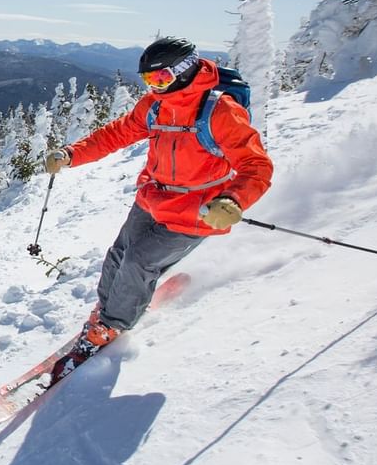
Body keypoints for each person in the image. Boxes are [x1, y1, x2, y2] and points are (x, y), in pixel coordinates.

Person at [43, 36, 273, 382]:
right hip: (154, 197)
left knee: (139, 260)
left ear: (183, 71)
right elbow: (115, 134)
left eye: (161, 79)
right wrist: (71, 154)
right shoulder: (155, 106)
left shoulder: (220, 111)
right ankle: (108, 311)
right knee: (120, 255)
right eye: (149, 81)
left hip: (198, 209)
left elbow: (257, 165)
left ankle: (112, 325)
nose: (154, 87)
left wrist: (233, 200)